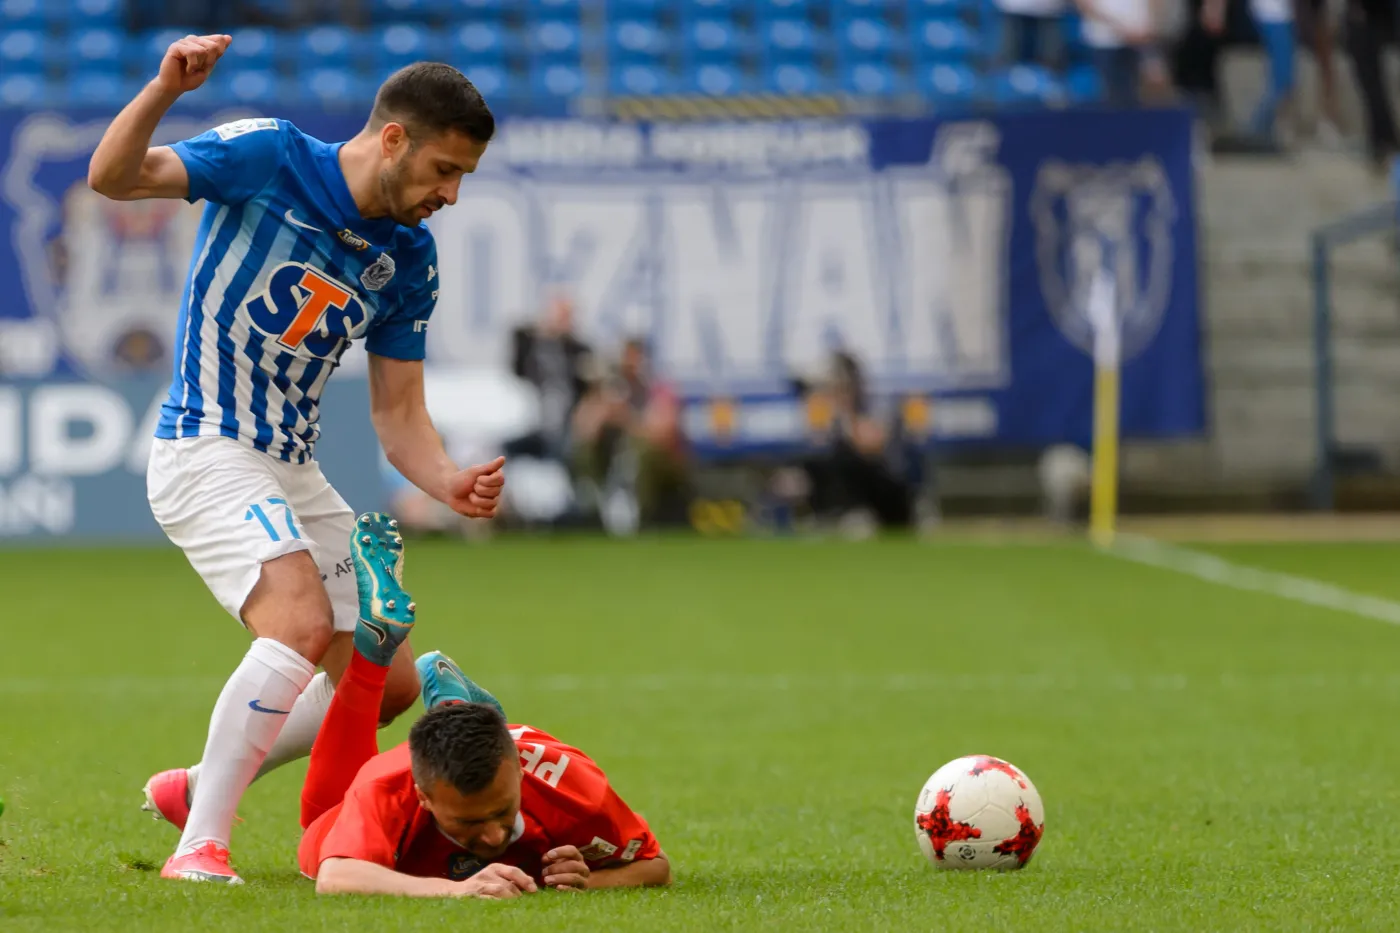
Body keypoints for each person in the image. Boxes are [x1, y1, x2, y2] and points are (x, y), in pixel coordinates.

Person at [87, 36, 507, 884]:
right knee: (300, 623)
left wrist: (448, 477)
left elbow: (399, 418)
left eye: (463, 177)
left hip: (292, 466)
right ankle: (200, 844)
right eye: (444, 170)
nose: (451, 195)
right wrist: (164, 89)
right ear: (393, 138)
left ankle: (203, 780)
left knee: (381, 679)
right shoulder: (268, 156)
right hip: (206, 443)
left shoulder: (409, 259)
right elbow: (113, 177)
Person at [298, 512, 671, 896]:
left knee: (459, 741)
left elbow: (656, 866)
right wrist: (458, 890)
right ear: (423, 799)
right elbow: (335, 877)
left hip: (493, 745)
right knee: (317, 827)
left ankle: (434, 693)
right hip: (413, 769)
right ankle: (375, 659)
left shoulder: (573, 787)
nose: (493, 836)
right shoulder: (390, 787)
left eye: (502, 810)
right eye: (468, 821)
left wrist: (589, 880)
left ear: (519, 775)